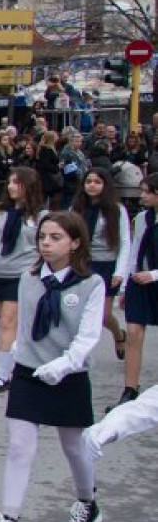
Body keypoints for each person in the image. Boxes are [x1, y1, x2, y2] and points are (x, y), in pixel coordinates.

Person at [0, 212, 106, 522]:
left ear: (75, 243)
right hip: (30, 372)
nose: (46, 243)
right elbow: (24, 324)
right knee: (19, 447)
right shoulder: (28, 278)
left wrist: (62, 365)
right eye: (43, 236)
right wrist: (17, 356)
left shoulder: (91, 285)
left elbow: (87, 337)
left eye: (56, 237)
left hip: (69, 375)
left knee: (75, 446)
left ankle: (88, 503)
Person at [0, 167, 48, 395]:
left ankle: (2, 375)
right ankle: (18, 364)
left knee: (7, 322)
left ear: (29, 186)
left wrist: (40, 270)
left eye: (17, 183)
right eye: (10, 182)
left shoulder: (40, 217)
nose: (11, 187)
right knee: (12, 325)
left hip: (23, 276)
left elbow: (45, 249)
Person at [72, 167, 130, 371]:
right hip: (83, 264)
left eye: (97, 182)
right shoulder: (77, 207)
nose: (92, 185)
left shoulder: (116, 209)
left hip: (107, 265)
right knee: (79, 313)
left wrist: (120, 271)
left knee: (104, 315)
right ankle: (81, 353)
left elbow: (124, 242)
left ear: (105, 185)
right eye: (88, 181)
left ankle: (119, 334)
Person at [112, 172, 158, 409]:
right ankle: (130, 389)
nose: (142, 196)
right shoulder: (142, 219)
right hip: (140, 281)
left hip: (153, 278)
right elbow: (135, 250)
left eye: (146, 191)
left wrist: (153, 275)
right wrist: (125, 287)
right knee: (133, 332)